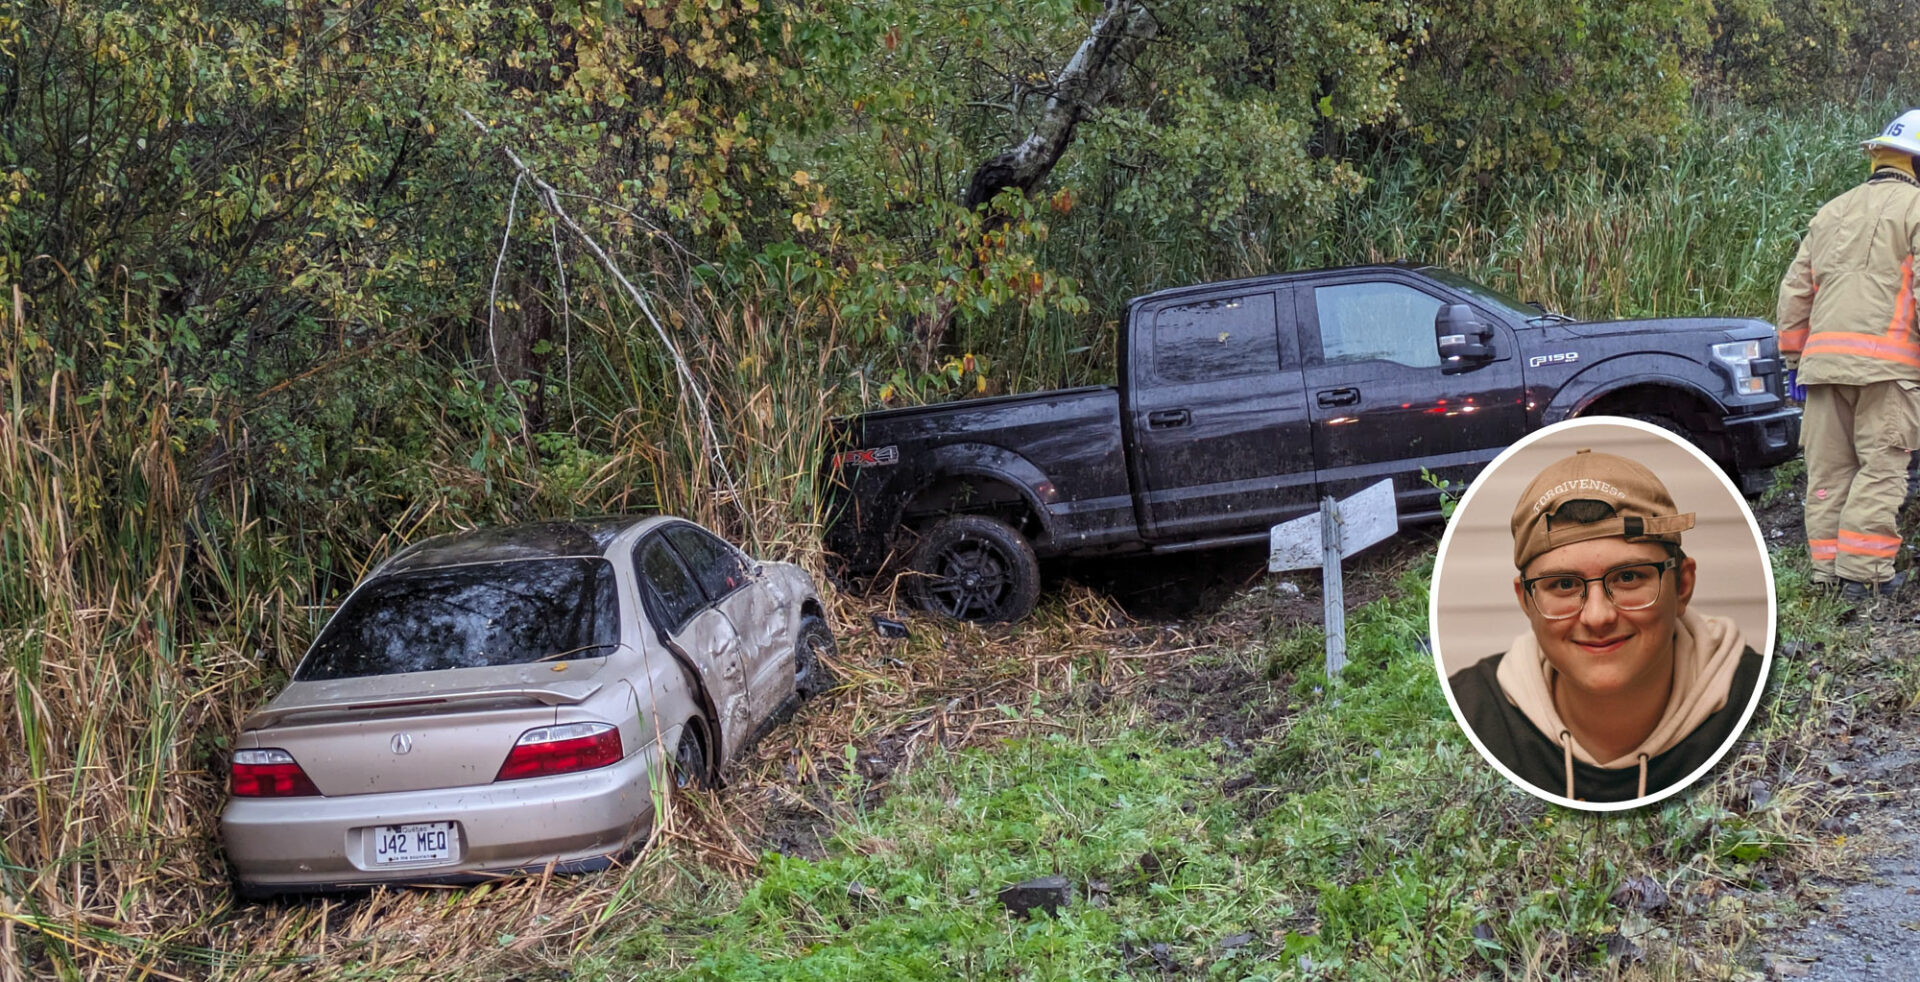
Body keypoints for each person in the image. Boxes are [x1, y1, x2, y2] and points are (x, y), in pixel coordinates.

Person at [1448, 449, 1765, 803]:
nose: (1598, 617)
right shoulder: (1467, 713)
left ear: (1683, 587)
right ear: (1526, 601)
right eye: (1564, 585)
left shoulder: (1762, 703)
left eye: (1628, 577)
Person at [1777, 108, 1920, 602]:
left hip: (1822, 368)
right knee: (1881, 467)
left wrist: (1796, 363)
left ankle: (1827, 573)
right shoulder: (1918, 210)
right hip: (1890, 368)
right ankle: (1865, 576)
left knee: (1829, 472)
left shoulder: (1831, 212)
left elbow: (1795, 294)